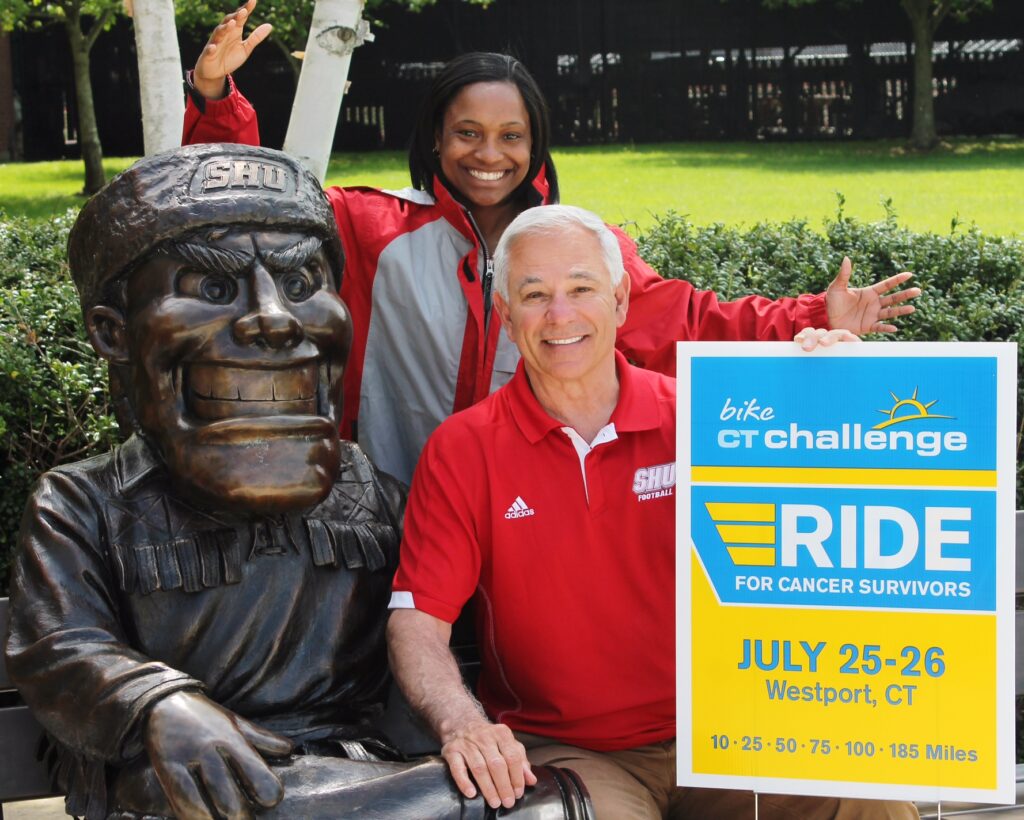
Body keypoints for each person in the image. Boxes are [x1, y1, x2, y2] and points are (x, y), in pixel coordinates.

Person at [3, 144, 590, 820]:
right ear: (115, 334)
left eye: (302, 283)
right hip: (189, 776)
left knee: (540, 805)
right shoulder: (83, 504)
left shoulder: (369, 491)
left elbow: (445, 627)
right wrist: (160, 704)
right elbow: (60, 646)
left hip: (356, 769)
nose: (275, 320)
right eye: (212, 290)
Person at [181, 0, 920, 485]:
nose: (488, 154)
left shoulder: (576, 243)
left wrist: (810, 318)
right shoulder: (371, 224)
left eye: (511, 136)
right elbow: (258, 211)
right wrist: (217, 101)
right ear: (436, 138)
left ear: (535, 146)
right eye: (467, 133)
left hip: (527, 504)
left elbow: (683, 321)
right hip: (387, 502)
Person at [386, 204, 920, 820]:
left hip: (730, 732)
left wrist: (832, 386)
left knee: (871, 802)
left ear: (619, 301)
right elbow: (418, 620)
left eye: (581, 289)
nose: (560, 316)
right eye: (535, 295)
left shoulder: (704, 415)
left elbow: (835, 519)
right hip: (572, 752)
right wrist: (462, 725)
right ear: (506, 316)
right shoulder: (464, 447)